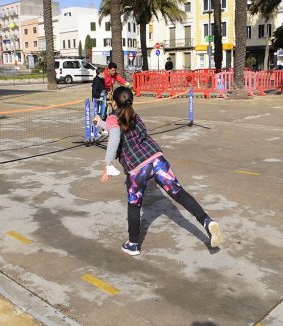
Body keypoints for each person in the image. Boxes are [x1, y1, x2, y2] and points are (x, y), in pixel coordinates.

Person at [94, 86, 223, 256]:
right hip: (156, 160)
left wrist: (107, 164)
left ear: (115, 104)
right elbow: (116, 127)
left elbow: (115, 134)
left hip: (136, 168)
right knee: (179, 192)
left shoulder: (113, 118)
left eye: (111, 100)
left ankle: (133, 243)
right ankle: (206, 221)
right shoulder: (133, 114)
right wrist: (100, 122)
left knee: (134, 204)